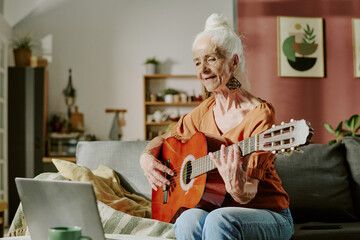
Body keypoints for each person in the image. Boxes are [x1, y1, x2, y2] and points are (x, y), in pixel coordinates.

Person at [140, 13, 294, 240]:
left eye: (211, 59)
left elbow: (248, 192)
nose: (202, 69)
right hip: (216, 209)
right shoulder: (204, 111)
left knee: (219, 219)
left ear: (233, 62)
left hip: (268, 213)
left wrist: (237, 187)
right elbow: (164, 140)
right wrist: (145, 157)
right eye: (197, 62)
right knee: (187, 219)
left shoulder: (259, 114)